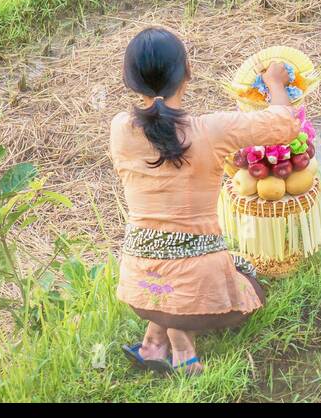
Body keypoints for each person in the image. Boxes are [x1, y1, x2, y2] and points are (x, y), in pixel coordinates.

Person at [110, 27, 301, 375]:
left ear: (130, 81)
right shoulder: (211, 131)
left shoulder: (120, 129)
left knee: (172, 280)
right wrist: (275, 81)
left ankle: (155, 343)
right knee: (248, 282)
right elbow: (285, 124)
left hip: (137, 288)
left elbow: (157, 125)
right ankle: (183, 346)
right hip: (198, 289)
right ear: (188, 72)